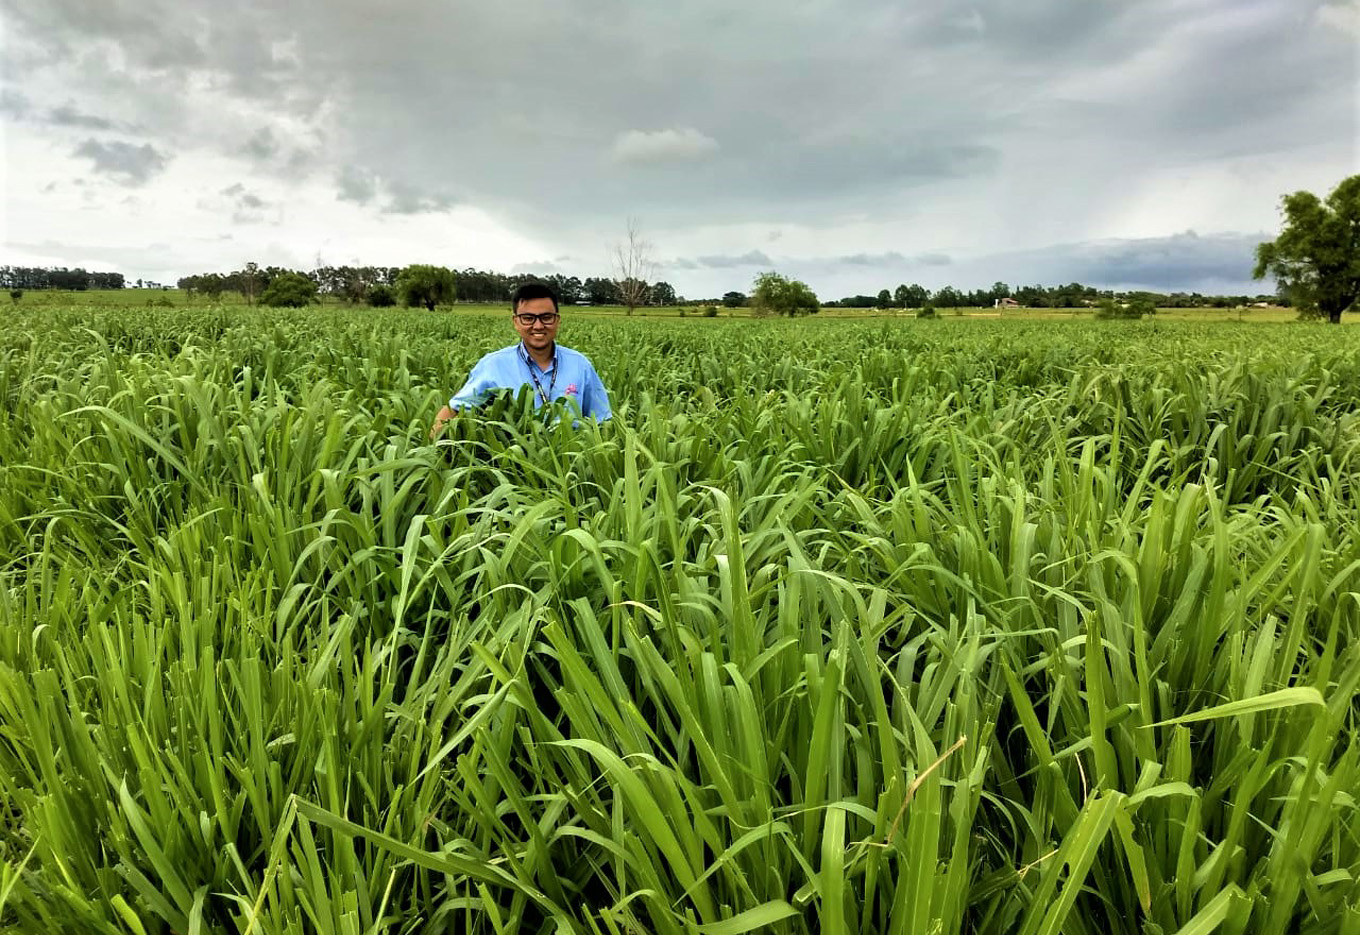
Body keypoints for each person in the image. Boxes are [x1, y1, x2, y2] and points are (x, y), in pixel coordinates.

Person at [431, 281, 611, 438]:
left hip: (570, 467)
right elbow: (453, 409)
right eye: (528, 318)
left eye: (546, 317)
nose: (538, 326)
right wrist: (434, 454)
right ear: (516, 322)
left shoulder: (580, 365)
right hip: (514, 468)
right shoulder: (494, 365)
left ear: (557, 320)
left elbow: (603, 422)